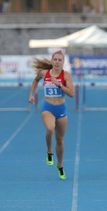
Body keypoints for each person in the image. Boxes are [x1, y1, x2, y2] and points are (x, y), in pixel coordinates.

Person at [28, 50, 74, 180]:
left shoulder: (66, 76)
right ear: (52, 61)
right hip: (48, 107)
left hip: (61, 109)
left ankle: (60, 165)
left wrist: (59, 85)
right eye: (55, 59)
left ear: (63, 62)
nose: (57, 62)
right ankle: (49, 151)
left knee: (60, 139)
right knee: (49, 128)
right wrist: (31, 94)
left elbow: (71, 94)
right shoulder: (44, 73)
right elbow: (35, 80)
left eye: (60, 60)